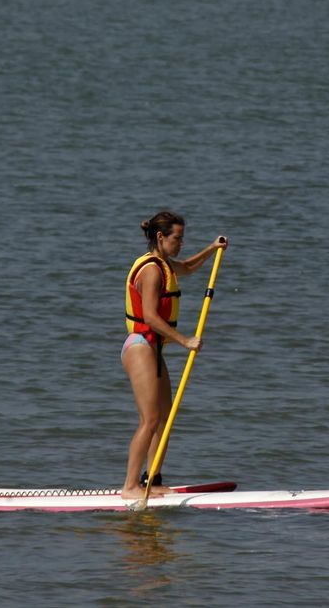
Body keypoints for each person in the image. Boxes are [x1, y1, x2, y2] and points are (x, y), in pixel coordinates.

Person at [120, 211, 227, 499]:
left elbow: (188, 267)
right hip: (140, 345)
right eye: (177, 238)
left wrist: (212, 248)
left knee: (164, 419)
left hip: (153, 348)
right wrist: (185, 341)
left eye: (182, 238)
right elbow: (150, 317)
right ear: (160, 237)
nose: (181, 243)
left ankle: (151, 480)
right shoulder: (152, 271)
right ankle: (130, 487)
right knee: (149, 420)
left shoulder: (165, 265)